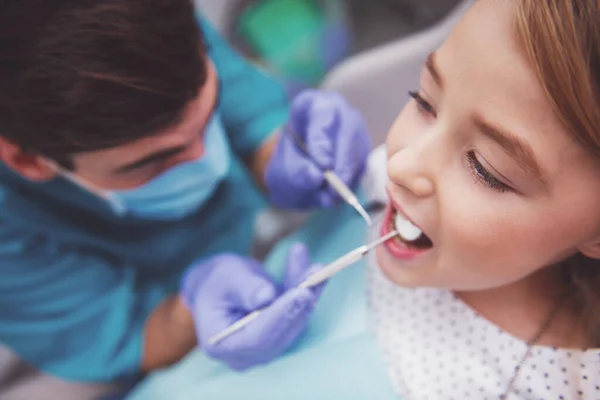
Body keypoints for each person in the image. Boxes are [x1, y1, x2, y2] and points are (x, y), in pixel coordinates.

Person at [130, 1, 600, 399]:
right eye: (425, 101)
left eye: (485, 169)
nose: (399, 165)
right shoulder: (386, 193)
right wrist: (187, 312)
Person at [0, 0, 371, 391]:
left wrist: (284, 153)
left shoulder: (143, 25)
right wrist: (187, 314)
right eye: (157, 160)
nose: (207, 158)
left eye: (209, 116)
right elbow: (117, 334)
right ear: (28, 160)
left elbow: (251, 117)